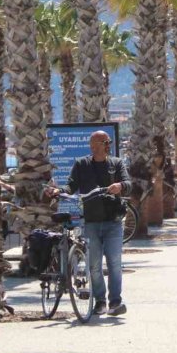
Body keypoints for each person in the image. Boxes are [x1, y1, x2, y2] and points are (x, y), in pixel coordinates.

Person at [46, 131, 131, 316]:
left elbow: (128, 183)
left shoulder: (116, 163)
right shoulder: (82, 164)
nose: (93, 146)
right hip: (91, 222)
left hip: (113, 222)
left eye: (98, 143)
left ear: (105, 144)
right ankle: (100, 301)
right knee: (93, 264)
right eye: (91, 143)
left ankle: (115, 302)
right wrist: (58, 191)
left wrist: (120, 187)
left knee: (115, 263)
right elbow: (71, 186)